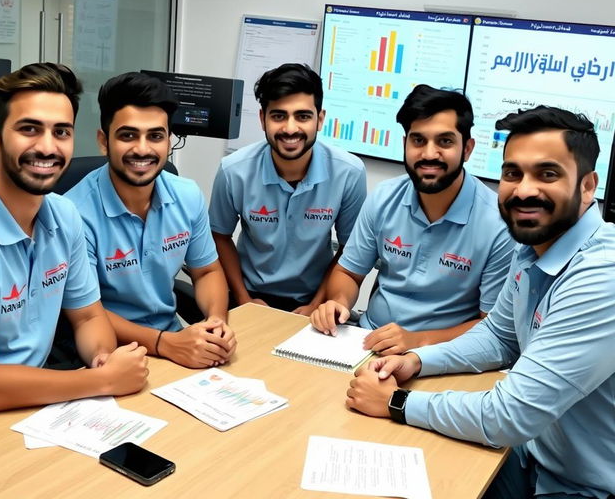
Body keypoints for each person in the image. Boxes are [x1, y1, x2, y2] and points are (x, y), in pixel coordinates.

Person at [347, 106, 615, 499]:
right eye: (512, 173)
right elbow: (498, 337)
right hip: (531, 457)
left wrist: (397, 403)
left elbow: (512, 415)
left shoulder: (601, 275)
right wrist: (418, 361)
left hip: (584, 486)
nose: (524, 190)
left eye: (548, 174)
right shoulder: (534, 248)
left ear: (588, 186)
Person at [0, 63, 148, 414]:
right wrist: (101, 381)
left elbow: (87, 317)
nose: (47, 147)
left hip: (42, 401)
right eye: (29, 129)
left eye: (62, 132)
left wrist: (102, 358)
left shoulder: (63, 214)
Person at [311, 84, 514, 354]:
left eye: (445, 141)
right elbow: (348, 272)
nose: (429, 154)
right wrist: (338, 302)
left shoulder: (498, 223)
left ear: (467, 148)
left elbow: (491, 325)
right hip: (366, 341)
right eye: (418, 140)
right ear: (405, 143)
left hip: (444, 354)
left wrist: (418, 340)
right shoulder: (383, 198)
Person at [66, 72, 236, 369]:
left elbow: (207, 271)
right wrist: (165, 343)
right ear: (104, 142)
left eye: (155, 136)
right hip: (106, 353)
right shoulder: (73, 214)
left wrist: (216, 322)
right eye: (128, 135)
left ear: (169, 141)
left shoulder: (187, 195)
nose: (143, 149)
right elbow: (87, 313)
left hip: (172, 341)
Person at [209, 63, 366, 314]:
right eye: (278, 116)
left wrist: (317, 304)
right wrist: (243, 298)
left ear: (320, 119)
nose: (290, 129)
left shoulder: (349, 173)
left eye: (302, 116)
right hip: (249, 294)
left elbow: (350, 249)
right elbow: (220, 236)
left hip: (315, 298)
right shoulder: (233, 170)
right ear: (263, 119)